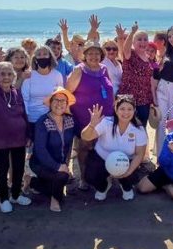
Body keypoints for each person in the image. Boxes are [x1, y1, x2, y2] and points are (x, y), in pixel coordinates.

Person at [0, 46, 32, 213]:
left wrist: (28, 135)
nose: (5, 77)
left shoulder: (16, 92)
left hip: (18, 138)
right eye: (1, 73)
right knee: (2, 170)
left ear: (14, 76)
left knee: (18, 168)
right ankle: (4, 198)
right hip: (0, 139)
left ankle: (16, 195)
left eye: (9, 74)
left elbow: (23, 115)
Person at [66, 41, 115, 190]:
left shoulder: (104, 68)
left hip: (106, 117)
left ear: (101, 55)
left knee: (103, 147)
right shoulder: (78, 70)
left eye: (97, 53)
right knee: (84, 148)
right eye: (90, 53)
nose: (94, 56)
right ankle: (84, 178)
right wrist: (69, 114)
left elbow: (110, 89)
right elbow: (67, 94)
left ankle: (102, 176)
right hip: (84, 118)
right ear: (85, 55)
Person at [81, 96, 149, 201]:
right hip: (102, 159)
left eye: (129, 109)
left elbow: (140, 154)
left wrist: (129, 172)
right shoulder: (106, 123)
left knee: (133, 177)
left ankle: (126, 186)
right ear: (116, 110)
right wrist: (92, 125)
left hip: (125, 163)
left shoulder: (138, 129)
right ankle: (104, 186)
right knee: (90, 176)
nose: (126, 112)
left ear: (134, 110)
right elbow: (85, 136)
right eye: (122, 109)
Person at [30, 87, 77, 212]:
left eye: (63, 101)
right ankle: (55, 199)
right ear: (50, 102)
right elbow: (40, 150)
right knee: (62, 177)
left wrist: (92, 125)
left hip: (60, 162)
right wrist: (58, 166)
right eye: (56, 100)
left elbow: (82, 134)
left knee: (56, 180)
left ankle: (34, 183)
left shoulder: (70, 119)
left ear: (67, 104)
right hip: (40, 163)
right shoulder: (43, 121)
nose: (59, 103)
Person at [117, 22, 156, 126]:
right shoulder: (130, 55)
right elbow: (125, 48)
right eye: (139, 39)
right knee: (127, 129)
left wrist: (153, 99)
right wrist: (132, 33)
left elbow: (150, 81)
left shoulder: (148, 59)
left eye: (145, 39)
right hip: (128, 100)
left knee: (142, 129)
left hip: (144, 101)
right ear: (133, 42)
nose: (143, 42)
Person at [21, 46, 65, 123]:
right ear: (35, 59)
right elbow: (25, 99)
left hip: (51, 118)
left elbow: (60, 96)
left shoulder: (57, 75)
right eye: (39, 54)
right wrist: (27, 116)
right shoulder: (29, 75)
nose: (42, 56)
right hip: (32, 118)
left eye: (45, 54)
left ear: (50, 57)